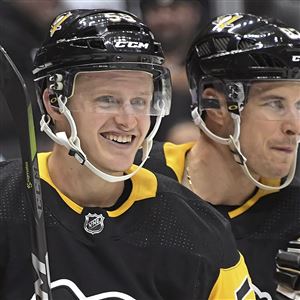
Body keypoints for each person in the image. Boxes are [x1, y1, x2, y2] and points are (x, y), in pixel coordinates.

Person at [0, 9, 256, 300]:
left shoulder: (197, 233)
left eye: (139, 101)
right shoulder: (6, 202)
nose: (128, 120)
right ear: (55, 103)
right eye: (107, 100)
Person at [139, 13, 300, 299]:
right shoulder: (135, 181)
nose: (294, 127)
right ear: (214, 106)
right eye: (275, 104)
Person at [139, 0, 209, 143]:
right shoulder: (133, 59)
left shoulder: (212, 53)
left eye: (174, 8)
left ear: (195, 12)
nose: (165, 18)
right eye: (155, 10)